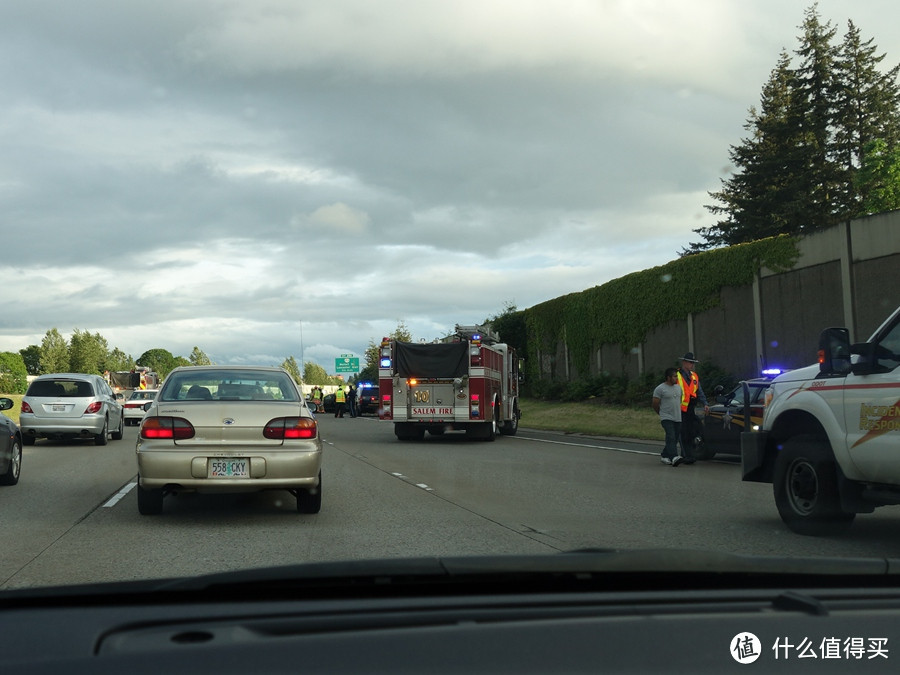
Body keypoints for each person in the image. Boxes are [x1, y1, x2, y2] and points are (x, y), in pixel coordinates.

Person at [676, 352, 709, 464]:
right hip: (680, 409)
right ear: (684, 362)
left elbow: (699, 391)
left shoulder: (694, 376)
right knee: (684, 432)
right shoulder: (677, 375)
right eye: (690, 362)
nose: (692, 365)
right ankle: (686, 455)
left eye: (693, 363)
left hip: (691, 408)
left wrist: (705, 403)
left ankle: (688, 454)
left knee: (694, 430)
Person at [652, 368, 684, 467]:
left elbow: (680, 400)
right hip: (666, 417)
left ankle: (665, 455)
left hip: (677, 416)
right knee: (671, 435)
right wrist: (661, 413)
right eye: (674, 376)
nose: (676, 378)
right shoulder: (660, 389)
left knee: (674, 438)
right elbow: (655, 403)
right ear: (668, 377)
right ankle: (674, 457)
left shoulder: (678, 388)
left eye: (677, 376)